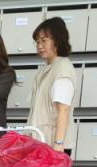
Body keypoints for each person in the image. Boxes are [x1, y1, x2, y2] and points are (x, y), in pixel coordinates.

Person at [27, 17, 76, 154]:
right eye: (37, 41)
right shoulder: (47, 69)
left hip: (54, 145)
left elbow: (63, 109)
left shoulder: (62, 69)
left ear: (58, 40)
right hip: (42, 141)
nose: (39, 45)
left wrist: (58, 144)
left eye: (44, 40)